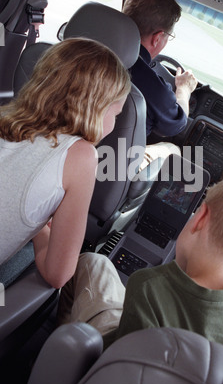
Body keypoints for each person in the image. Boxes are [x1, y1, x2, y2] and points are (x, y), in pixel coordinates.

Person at [57, 172, 223, 347]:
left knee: (93, 262)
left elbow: (118, 360)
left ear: (201, 217)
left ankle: (56, 354)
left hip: (107, 355)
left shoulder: (149, 286)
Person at [0, 37, 131, 289]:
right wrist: (41, 231)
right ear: (96, 109)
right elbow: (58, 273)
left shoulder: (5, 117)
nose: (114, 123)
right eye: (116, 113)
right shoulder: (80, 156)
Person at [122, 0, 198, 164]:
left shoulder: (79, 48)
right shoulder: (149, 83)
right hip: (112, 164)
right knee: (172, 150)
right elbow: (176, 124)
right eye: (168, 37)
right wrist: (184, 90)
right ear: (157, 38)